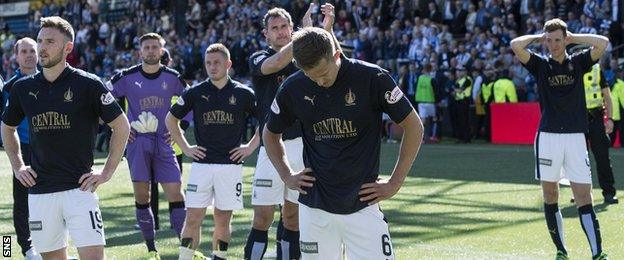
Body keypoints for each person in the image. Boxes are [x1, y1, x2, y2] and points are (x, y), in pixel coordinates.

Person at [264, 26, 423, 259]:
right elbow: (270, 134)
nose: (319, 81)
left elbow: (414, 126)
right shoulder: (292, 87)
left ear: (336, 55)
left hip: (362, 203)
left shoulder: (373, 77)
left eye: (323, 73)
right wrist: (287, 175)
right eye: (311, 75)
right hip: (314, 208)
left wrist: (395, 183)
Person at [1, 16, 129, 260]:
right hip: (41, 192)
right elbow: (7, 128)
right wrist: (18, 167)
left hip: (80, 190)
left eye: (50, 41)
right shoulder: (22, 88)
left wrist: (106, 172)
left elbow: (121, 126)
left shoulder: (89, 84)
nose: (42, 47)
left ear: (67, 47)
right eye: (40, 41)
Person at [510, 18, 610, 260]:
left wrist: (574, 38)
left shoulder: (579, 62)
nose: (553, 45)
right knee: (550, 195)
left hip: (576, 137)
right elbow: (515, 45)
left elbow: (603, 43)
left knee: (584, 196)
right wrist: (538, 37)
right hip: (548, 138)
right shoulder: (541, 66)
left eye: (557, 40)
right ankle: (561, 251)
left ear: (565, 40)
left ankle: (597, 253)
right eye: (550, 40)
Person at [168, 43, 259, 260]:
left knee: (223, 219)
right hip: (202, 166)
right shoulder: (196, 92)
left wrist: (250, 146)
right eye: (208, 63)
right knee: (193, 218)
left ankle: (219, 257)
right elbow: (171, 119)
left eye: (217, 62)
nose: (212, 67)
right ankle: (185, 257)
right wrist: (185, 147)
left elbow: (266, 121)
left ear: (228, 64)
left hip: (230, 166)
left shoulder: (243, 93)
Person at [106, 32, 187, 259]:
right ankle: (152, 250)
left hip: (163, 141)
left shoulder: (173, 77)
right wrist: (120, 126)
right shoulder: (126, 77)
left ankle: (186, 249)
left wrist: (179, 127)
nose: (151, 51)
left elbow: (190, 101)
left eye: (155, 47)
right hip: (137, 142)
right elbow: (104, 98)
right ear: (140, 51)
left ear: (162, 50)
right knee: (142, 197)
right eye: (147, 47)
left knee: (176, 193)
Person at [243, 7, 305, 260]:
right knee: (262, 217)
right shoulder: (259, 57)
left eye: (284, 27)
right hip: (272, 146)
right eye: (275, 28)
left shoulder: (305, 58)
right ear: (266, 34)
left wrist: (321, 32)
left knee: (292, 217)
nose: (280, 32)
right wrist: (305, 36)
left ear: (291, 28)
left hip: (302, 145)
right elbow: (277, 63)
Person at [2, 37, 41, 259]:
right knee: (23, 199)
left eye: (32, 50)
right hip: (22, 149)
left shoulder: (49, 79)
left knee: (52, 196)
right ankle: (25, 249)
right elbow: (5, 125)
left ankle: (53, 247)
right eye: (24, 51)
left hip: (50, 149)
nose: (29, 55)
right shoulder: (9, 87)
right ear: (16, 56)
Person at [582, 63, 617, 204]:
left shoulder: (597, 70)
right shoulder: (571, 68)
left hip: (596, 117)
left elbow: (607, 96)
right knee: (577, 159)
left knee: (602, 156)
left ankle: (609, 192)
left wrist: (610, 119)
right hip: (577, 119)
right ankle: (580, 192)